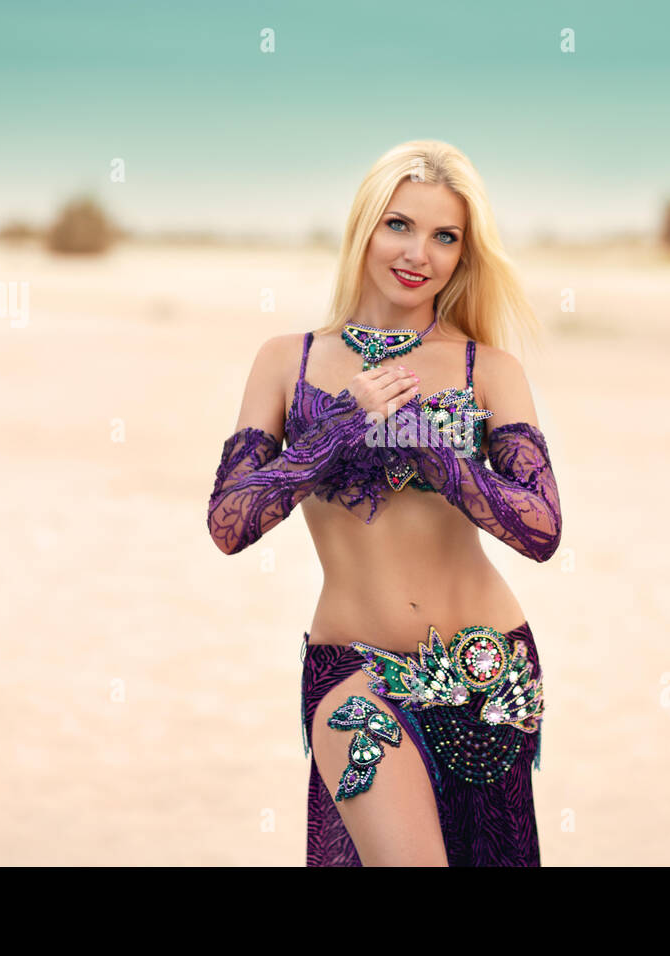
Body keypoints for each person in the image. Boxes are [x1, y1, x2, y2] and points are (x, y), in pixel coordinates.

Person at [207, 140, 562, 866]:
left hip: (488, 672)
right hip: (353, 674)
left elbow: (543, 529)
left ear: (464, 255)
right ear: (364, 228)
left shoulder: (487, 369)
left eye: (445, 236)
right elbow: (229, 521)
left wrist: (437, 450)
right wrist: (341, 424)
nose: (418, 253)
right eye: (399, 225)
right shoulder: (288, 360)